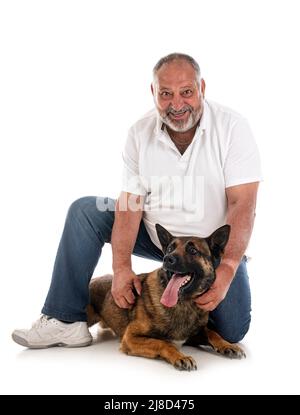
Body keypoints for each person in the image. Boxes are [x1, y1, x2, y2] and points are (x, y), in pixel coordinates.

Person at [12, 53, 262, 349]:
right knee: (86, 211)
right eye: (166, 94)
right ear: (153, 93)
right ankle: (64, 318)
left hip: (209, 249)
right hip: (159, 239)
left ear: (202, 89)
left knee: (232, 330)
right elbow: (129, 206)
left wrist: (229, 265)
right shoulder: (139, 133)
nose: (177, 104)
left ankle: (197, 312)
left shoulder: (233, 127)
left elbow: (242, 205)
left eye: (187, 92)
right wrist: (121, 268)